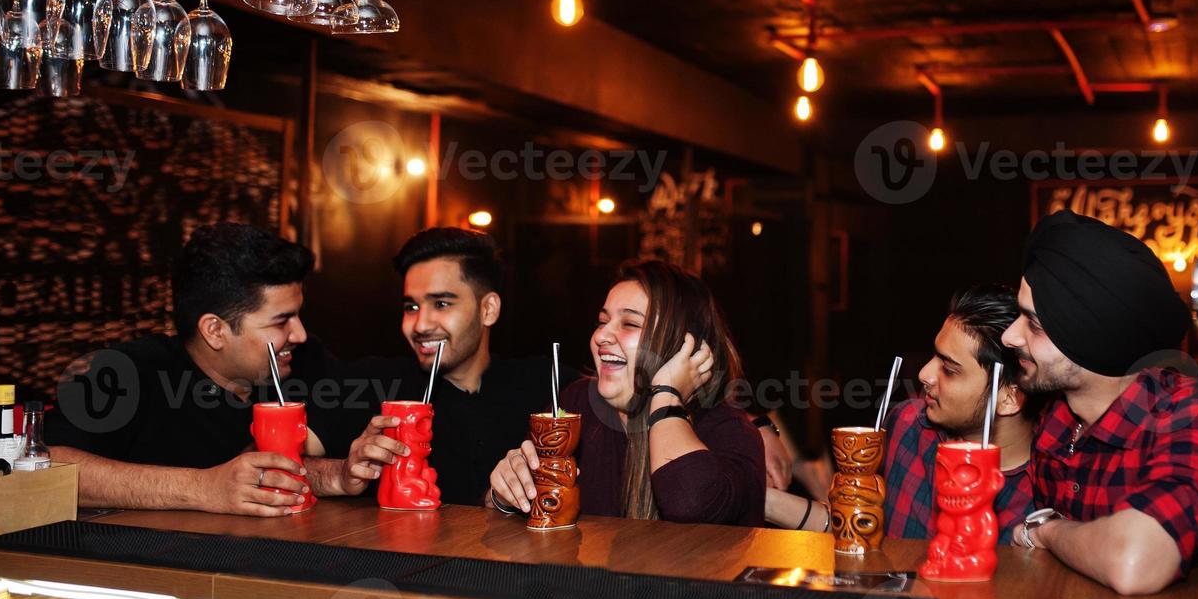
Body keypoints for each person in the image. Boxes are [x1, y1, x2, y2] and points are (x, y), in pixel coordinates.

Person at [1002, 210, 1198, 595]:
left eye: (1034, 324)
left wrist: (1046, 531)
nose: (1010, 336)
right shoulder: (1058, 423)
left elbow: (1134, 561)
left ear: (1092, 337)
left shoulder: (1194, 417)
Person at [46, 224, 397, 515]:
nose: (300, 334)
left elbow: (277, 468)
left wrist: (336, 476)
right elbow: (49, 466)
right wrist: (202, 488)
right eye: (281, 321)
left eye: (298, 314)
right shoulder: (124, 374)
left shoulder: (306, 362)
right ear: (215, 330)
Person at [487, 259, 765, 524]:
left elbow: (689, 502)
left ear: (684, 348)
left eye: (630, 324)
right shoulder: (579, 401)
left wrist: (666, 394)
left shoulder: (728, 430)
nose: (601, 336)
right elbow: (506, 513)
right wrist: (505, 494)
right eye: (601, 321)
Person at [325, 227, 583, 506]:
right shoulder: (372, 383)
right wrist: (339, 475)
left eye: (442, 303)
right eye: (411, 307)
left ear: (488, 309)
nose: (421, 325)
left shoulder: (549, 385)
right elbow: (283, 461)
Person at [764, 285, 1036, 538]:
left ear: (1009, 397)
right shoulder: (910, 426)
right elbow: (855, 527)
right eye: (935, 356)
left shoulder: (1044, 487)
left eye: (950, 370)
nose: (924, 374)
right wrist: (760, 497)